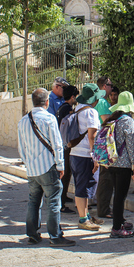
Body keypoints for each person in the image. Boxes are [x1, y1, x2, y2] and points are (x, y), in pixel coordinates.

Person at [16, 88, 75, 247]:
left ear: (33, 102)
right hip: (49, 167)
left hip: (32, 170)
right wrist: (61, 165)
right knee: (54, 202)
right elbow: (57, 144)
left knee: (33, 202)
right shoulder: (49, 119)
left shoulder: (23, 121)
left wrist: (28, 164)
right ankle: (55, 236)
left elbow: (21, 148)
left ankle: (33, 235)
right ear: (47, 102)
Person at [71, 83, 106, 231]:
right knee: (83, 187)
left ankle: (86, 216)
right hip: (86, 154)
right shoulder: (90, 112)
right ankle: (82, 219)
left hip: (75, 153)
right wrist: (95, 157)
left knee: (82, 186)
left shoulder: (77, 110)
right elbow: (92, 136)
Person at [106, 91, 134, 237]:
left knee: (117, 194)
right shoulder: (127, 121)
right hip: (124, 164)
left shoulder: (113, 119)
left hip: (112, 163)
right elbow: (131, 144)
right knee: (121, 196)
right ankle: (116, 228)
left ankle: (120, 221)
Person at [94, 76, 115, 219]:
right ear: (103, 86)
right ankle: (103, 209)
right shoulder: (102, 102)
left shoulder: (100, 101)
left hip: (101, 144)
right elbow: (107, 122)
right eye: (110, 85)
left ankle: (103, 207)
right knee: (105, 178)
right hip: (104, 145)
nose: (111, 87)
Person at [56, 85, 78, 213]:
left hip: (61, 144)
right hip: (67, 146)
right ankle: (61, 204)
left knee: (65, 174)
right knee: (66, 174)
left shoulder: (61, 108)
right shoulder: (68, 109)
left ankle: (62, 198)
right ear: (72, 96)